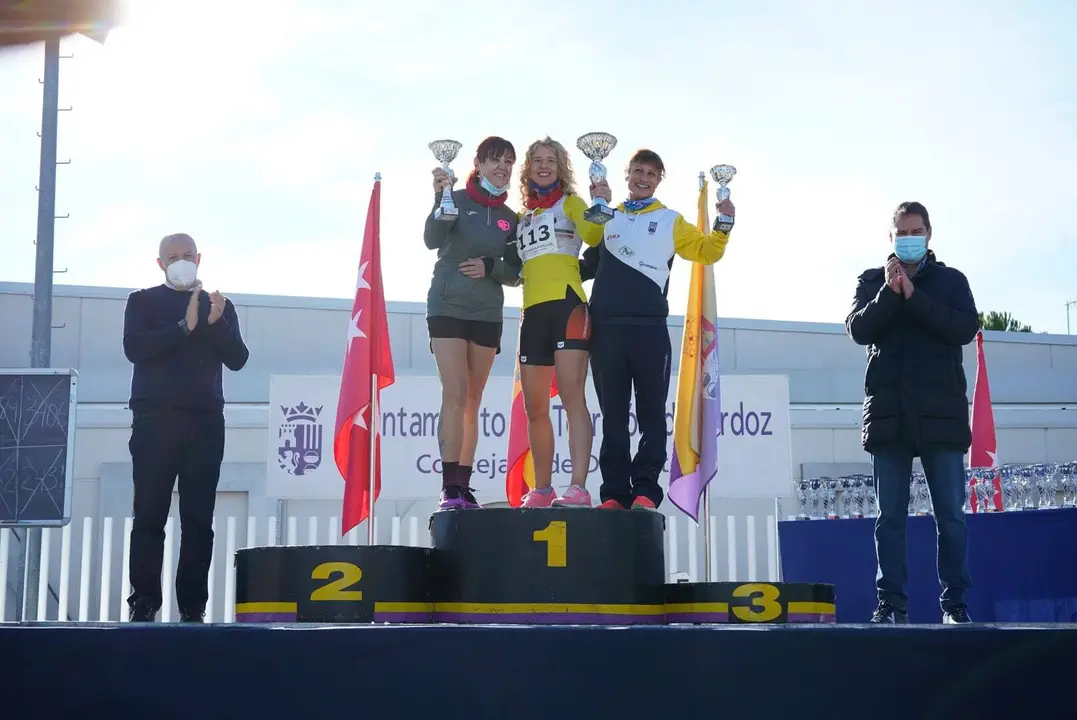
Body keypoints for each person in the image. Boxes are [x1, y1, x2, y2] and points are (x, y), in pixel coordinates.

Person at [845, 201, 978, 625]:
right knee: (889, 519)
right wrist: (889, 293)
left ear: (929, 234)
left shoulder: (951, 281)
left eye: (915, 231)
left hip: (941, 417)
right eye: (901, 232)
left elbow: (964, 328)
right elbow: (858, 329)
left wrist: (914, 298)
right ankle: (891, 604)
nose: (908, 239)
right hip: (890, 418)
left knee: (951, 517)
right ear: (891, 237)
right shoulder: (871, 281)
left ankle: (954, 604)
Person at [582, 149, 733, 511]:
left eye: (651, 174)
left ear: (659, 180)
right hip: (606, 329)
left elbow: (707, 252)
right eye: (638, 171)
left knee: (651, 414)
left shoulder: (670, 221)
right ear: (626, 174)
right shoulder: (607, 216)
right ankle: (614, 494)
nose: (643, 179)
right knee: (613, 416)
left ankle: (646, 491)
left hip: (649, 329)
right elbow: (584, 261)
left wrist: (724, 223)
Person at [122, 233, 249, 622]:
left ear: (199, 258)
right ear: (160, 263)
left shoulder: (219, 305)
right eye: (173, 256)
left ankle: (193, 606)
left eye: (187, 255)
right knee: (149, 515)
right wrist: (184, 326)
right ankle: (144, 601)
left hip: (205, 422)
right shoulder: (142, 301)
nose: (181, 261)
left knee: (198, 520)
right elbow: (134, 348)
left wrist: (213, 323)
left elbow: (238, 358)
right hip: (154, 421)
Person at [425, 136, 522, 510]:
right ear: (478, 164)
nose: (502, 167)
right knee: (454, 392)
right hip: (447, 306)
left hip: (486, 314)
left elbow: (516, 272)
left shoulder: (511, 218)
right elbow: (431, 239)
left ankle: (463, 487)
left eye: (508, 162)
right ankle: (449, 486)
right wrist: (440, 198)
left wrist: (491, 267)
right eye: (494, 160)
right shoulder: (456, 199)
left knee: (472, 399)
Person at [512, 138, 607, 508]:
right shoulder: (523, 216)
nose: (543, 166)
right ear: (529, 168)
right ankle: (542, 488)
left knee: (572, 398)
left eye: (550, 160)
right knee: (534, 408)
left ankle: (578, 487)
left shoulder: (571, 203)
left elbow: (595, 236)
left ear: (561, 167)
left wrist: (599, 202)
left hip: (568, 308)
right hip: (532, 314)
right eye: (537, 160)